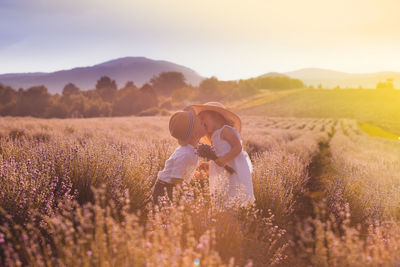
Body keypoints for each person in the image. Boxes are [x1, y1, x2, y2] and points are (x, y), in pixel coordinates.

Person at [190, 102, 255, 206]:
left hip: (234, 170)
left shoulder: (226, 130)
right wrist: (209, 165)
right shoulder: (214, 136)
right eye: (199, 121)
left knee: (235, 194)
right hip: (224, 173)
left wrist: (224, 159)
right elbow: (219, 157)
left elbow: (238, 147)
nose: (201, 122)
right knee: (223, 196)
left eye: (203, 118)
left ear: (216, 116)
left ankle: (236, 215)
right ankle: (226, 216)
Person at [152, 109, 206, 205]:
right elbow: (176, 179)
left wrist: (196, 174)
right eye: (201, 124)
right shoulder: (185, 154)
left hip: (172, 186)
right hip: (165, 189)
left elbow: (186, 170)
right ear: (195, 135)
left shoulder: (192, 150)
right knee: (166, 216)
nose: (204, 123)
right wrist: (188, 192)